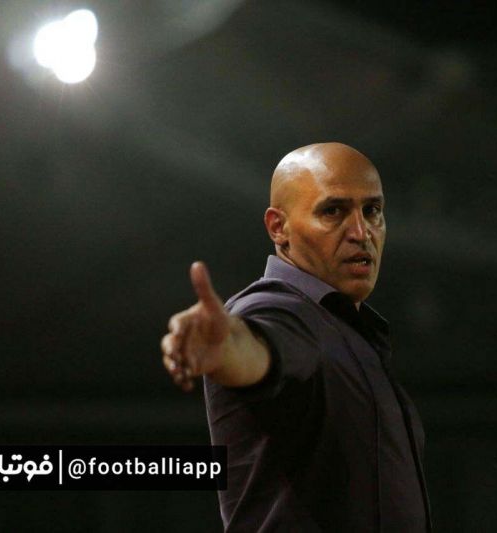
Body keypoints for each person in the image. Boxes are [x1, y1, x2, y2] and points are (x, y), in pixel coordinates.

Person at [161, 142, 431, 531]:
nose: (361, 232)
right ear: (278, 227)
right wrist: (228, 348)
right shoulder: (277, 309)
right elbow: (259, 346)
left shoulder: (352, 334)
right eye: (333, 211)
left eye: (372, 211)